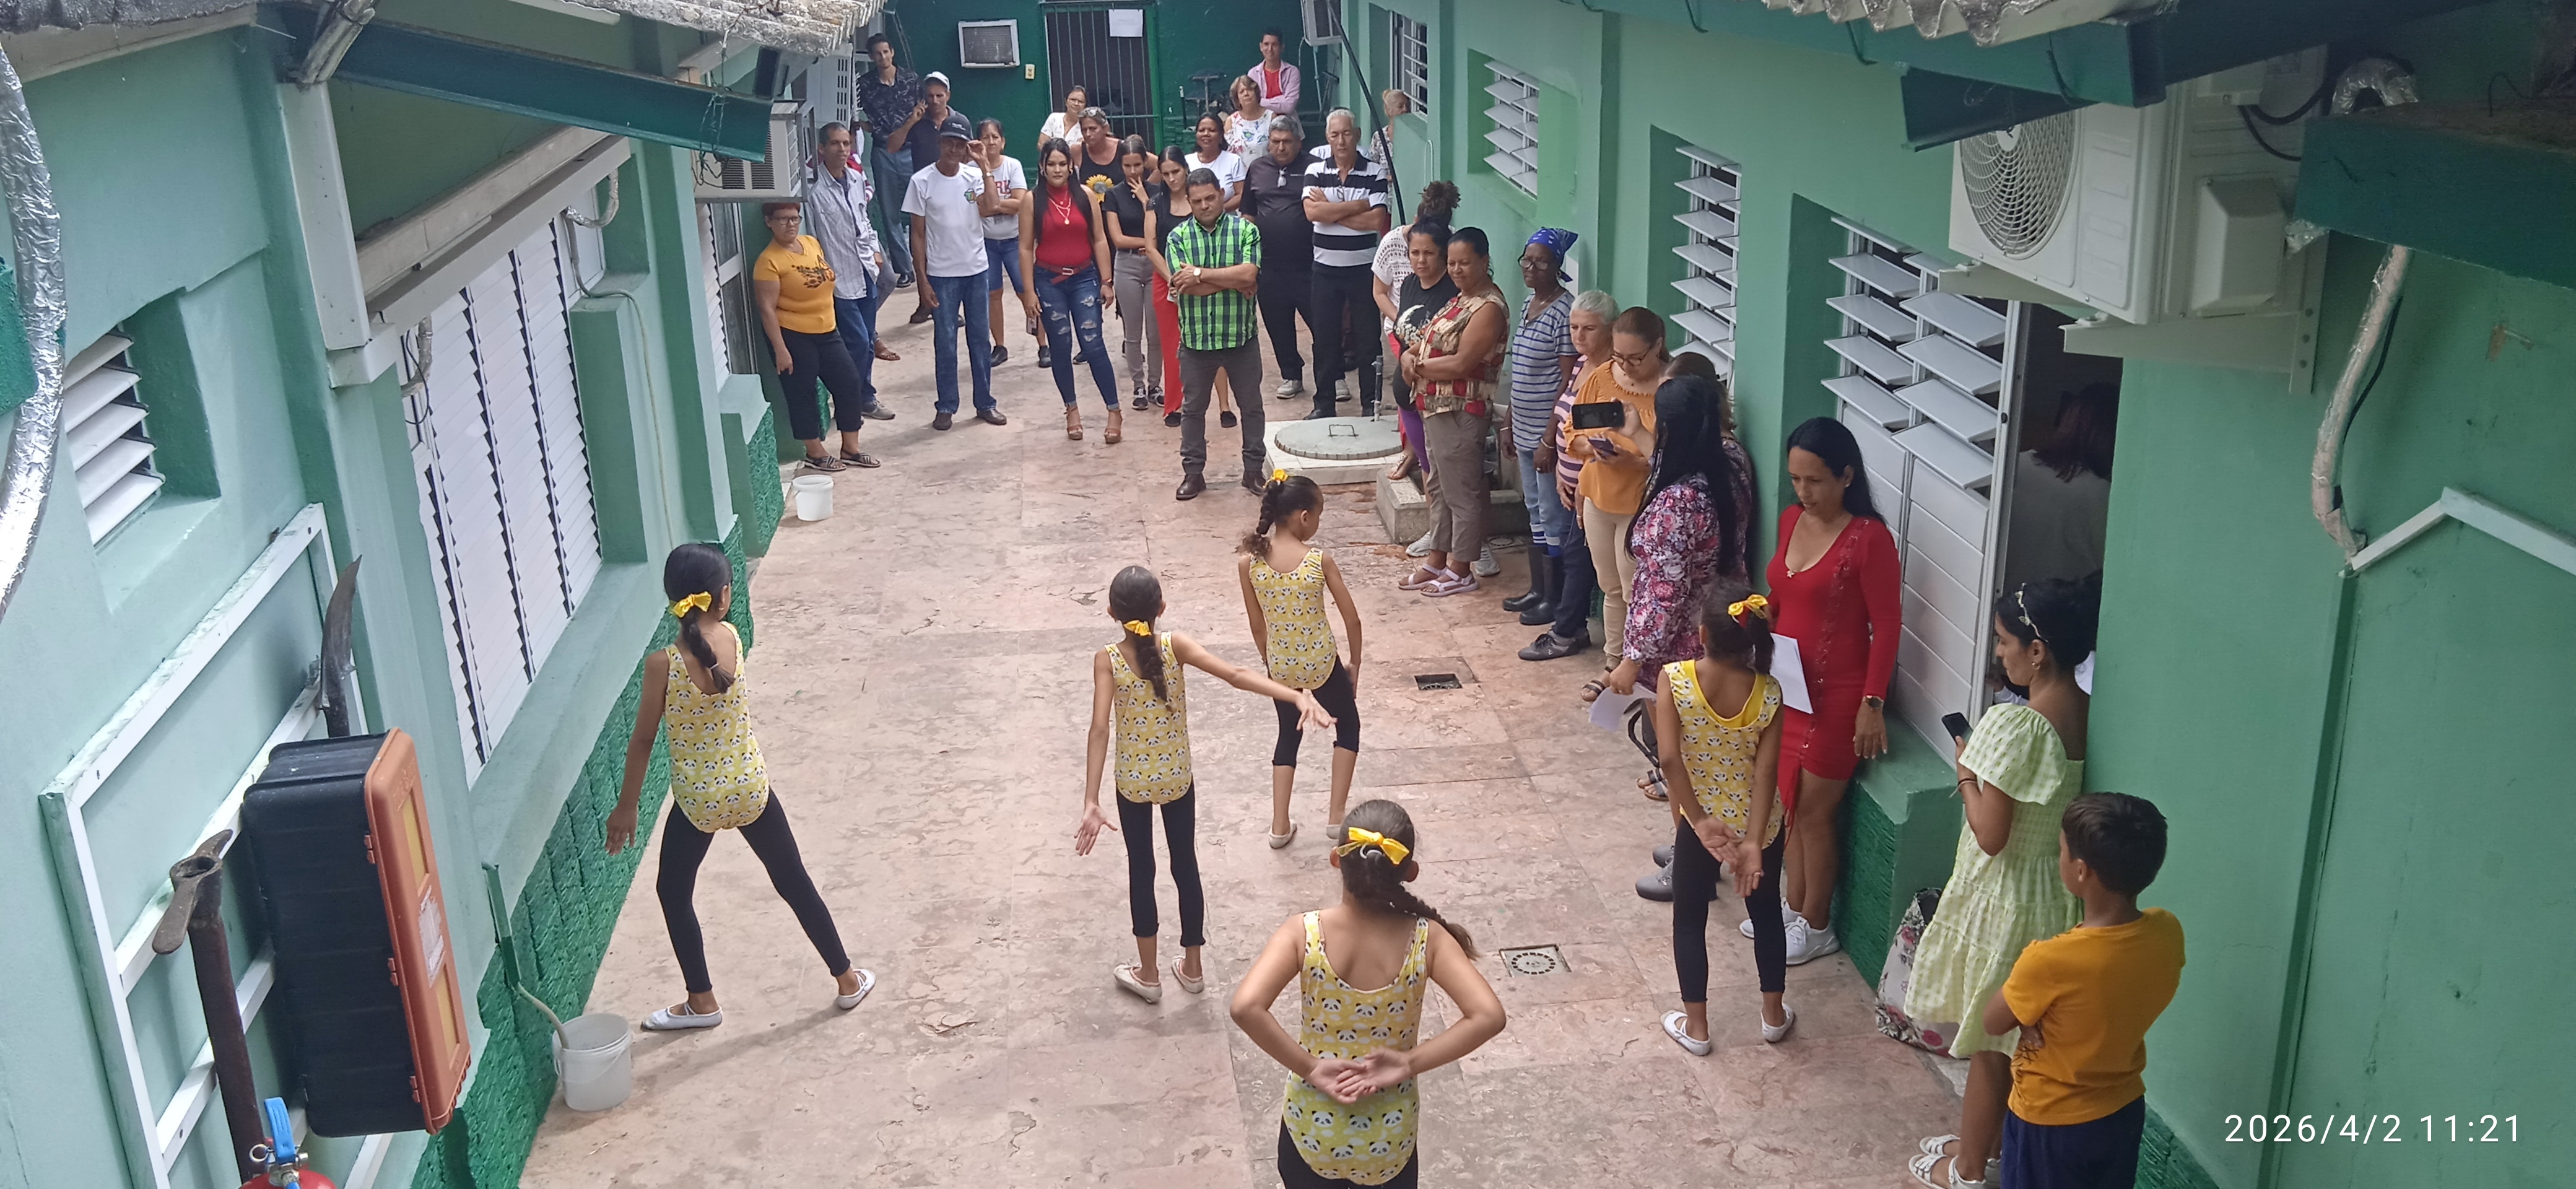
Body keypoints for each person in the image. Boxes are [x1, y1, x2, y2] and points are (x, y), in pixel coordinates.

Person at [607, 544, 873, 1030]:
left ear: (671, 598)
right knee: (792, 879)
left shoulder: (661, 665)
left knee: (673, 891)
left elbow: (644, 740)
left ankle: (702, 1001)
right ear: (723, 596)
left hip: (699, 802)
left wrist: (627, 807)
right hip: (751, 788)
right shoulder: (731, 637)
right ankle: (847, 979)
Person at [1905, 578, 2097, 1189]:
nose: (1997, 654)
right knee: (2014, 1041)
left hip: (2004, 897)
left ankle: (1967, 1171)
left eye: (2002, 641)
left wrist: (1966, 772)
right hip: (2049, 893)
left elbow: (1990, 833)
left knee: (1990, 1046)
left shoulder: (2014, 726)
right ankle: (1980, 1144)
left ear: (2036, 650)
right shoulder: (2086, 710)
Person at [1079, 565, 1331, 1003]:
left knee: (1142, 869)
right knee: (1185, 865)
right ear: (1162, 608)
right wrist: (1294, 694)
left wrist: (1090, 799)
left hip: (1132, 783)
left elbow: (1099, 729)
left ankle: (1149, 974)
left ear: (1110, 613)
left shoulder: (1108, 659)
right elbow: (1234, 674)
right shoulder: (1175, 646)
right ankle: (1193, 968)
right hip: (1177, 777)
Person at [1230, 800, 1506, 1189]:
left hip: (1312, 1130)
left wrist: (1310, 1067)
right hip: (1389, 1140)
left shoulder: (1303, 933)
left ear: (1335, 860)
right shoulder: (1428, 940)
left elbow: (1246, 1007)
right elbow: (1488, 1016)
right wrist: (1408, 1063)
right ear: (1410, 872)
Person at [1982, 793, 2182, 1189]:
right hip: (2122, 1110)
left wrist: (2031, 1016)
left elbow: (1993, 1021)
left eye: (2061, 851)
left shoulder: (2051, 960)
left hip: (2050, 1119)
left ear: (2080, 870)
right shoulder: (2166, 930)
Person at [1759, 417, 1899, 963]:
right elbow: (1782, 594)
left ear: (1846, 477)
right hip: (1788, 687)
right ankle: (1794, 909)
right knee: (1787, 801)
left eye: (1815, 480)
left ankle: (1818, 924)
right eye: (1796, 479)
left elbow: (1887, 625)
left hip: (1839, 696)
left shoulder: (1869, 540)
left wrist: (1873, 704)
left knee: (1815, 814)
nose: (1803, 492)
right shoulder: (1792, 519)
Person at [1652, 583, 1793, 1055]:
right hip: (1761, 825)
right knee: (1767, 914)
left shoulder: (1674, 680)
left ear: (1701, 635)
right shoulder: (1769, 692)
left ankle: (1697, 1028)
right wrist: (1753, 841)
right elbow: (1767, 773)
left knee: (1689, 917)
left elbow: (1669, 759)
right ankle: (1773, 1017)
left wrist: (1697, 818)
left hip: (1702, 824)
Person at [1238, 474, 1365, 847]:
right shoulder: (1318, 560)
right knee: (1349, 726)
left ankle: (1279, 825)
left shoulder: (1249, 563)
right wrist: (1354, 664)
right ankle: (1335, 818)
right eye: (1320, 515)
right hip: (1323, 661)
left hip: (1281, 667)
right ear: (1304, 517)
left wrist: (1271, 665)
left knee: (1286, 736)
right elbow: (1352, 618)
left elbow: (1257, 625)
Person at [1396, 228, 1507, 598]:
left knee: (1462, 492)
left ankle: (1462, 568)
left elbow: (1463, 363)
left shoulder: (1489, 307)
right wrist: (1411, 355)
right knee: (1439, 487)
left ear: (1485, 262)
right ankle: (1437, 560)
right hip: (1434, 408)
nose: (1457, 270)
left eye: (1465, 263)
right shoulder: (1459, 299)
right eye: (1453, 263)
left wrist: (1418, 368)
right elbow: (1423, 339)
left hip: (1461, 409)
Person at [1565, 308, 1668, 676]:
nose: (1625, 366)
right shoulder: (1603, 376)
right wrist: (1592, 449)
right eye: (1618, 356)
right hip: (1598, 494)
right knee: (1609, 587)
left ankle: (1633, 668)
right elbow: (1572, 429)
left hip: (1639, 504)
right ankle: (1612, 664)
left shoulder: (1669, 390)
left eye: (1635, 358)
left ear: (1658, 347)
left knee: (1632, 590)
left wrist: (1633, 459)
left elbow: (1669, 457)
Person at [1519, 290, 1617, 662]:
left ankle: (1566, 630)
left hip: (1595, 485)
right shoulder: (1581, 365)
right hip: (1570, 480)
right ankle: (1565, 622)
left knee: (1579, 556)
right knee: (1570, 548)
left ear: (1609, 330)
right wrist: (1562, 470)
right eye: (1575, 327)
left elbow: (1603, 438)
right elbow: (1566, 419)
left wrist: (1578, 477)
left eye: (1589, 328)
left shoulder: (1611, 375)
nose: (1579, 335)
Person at [1162, 167, 1268, 500]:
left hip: (1241, 338)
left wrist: (1201, 274)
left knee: (1251, 407)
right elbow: (1184, 288)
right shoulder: (1177, 238)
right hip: (1197, 342)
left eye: (1210, 198)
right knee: (1193, 411)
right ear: (1189, 202)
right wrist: (1232, 281)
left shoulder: (1245, 230)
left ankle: (1253, 472)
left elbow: (1250, 273)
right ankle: (1194, 474)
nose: (1205, 205)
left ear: (1221, 194)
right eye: (1197, 201)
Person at [751, 203, 878, 473]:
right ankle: (815, 452)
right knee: (802, 393)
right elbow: (766, 310)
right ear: (769, 222)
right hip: (792, 334)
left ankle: (851, 448)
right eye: (783, 219)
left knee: (849, 382)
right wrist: (781, 350)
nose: (790, 224)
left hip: (827, 331)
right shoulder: (769, 262)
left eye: (795, 218)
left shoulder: (811, 243)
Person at [903, 113, 1006, 430]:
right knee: (945, 341)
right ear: (940, 143)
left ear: (966, 147)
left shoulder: (974, 177)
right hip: (942, 274)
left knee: (979, 339)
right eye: (948, 141)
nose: (953, 148)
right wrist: (922, 281)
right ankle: (946, 406)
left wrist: (984, 165)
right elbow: (917, 235)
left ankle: (985, 403)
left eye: (959, 143)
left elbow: (990, 208)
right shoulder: (921, 182)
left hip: (976, 269)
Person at [1017, 137, 1123, 443]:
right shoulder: (1031, 200)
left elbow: (1100, 238)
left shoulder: (1086, 196)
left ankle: (1114, 410)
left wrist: (1107, 280)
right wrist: (1029, 293)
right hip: (1048, 282)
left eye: (1063, 163)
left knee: (1092, 344)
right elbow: (1025, 248)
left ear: (1071, 166)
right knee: (1060, 348)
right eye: (1052, 164)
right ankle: (1072, 409)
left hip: (1084, 278)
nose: (1058, 169)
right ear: (1042, 166)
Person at [1501, 229, 1580, 621]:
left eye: (1541, 262)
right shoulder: (1529, 304)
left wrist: (1550, 437)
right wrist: (1509, 421)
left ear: (1558, 267)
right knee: (1533, 508)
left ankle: (1557, 598)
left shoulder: (1564, 313)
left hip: (1548, 433)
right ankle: (1538, 589)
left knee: (1552, 512)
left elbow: (1567, 380)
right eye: (1526, 261)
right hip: (1524, 425)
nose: (1531, 269)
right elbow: (1520, 372)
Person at [800, 123, 895, 422]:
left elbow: (863, 222)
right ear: (822, 149)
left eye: (846, 144)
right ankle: (852, 400)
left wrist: (876, 251)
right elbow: (813, 236)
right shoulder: (815, 192)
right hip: (838, 280)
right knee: (855, 342)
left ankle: (863, 397)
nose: (842, 150)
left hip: (865, 270)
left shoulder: (855, 179)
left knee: (866, 341)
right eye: (835, 144)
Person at [1300, 110, 1391, 419]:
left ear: (1358, 134)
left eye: (1347, 134)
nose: (1341, 141)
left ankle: (1371, 404)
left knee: (1368, 340)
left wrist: (1331, 208)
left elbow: (1376, 220)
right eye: (1335, 135)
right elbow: (1313, 215)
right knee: (1324, 339)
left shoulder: (1376, 172)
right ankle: (1323, 404)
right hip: (1324, 270)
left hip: (1364, 271)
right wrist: (1358, 205)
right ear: (1328, 138)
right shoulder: (1315, 170)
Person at [1372, 181, 1461, 487]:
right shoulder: (1406, 276)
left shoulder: (1453, 285)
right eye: (1415, 251)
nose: (1421, 260)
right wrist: (1404, 323)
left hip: (1435, 387)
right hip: (1402, 328)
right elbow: (1380, 292)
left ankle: (1416, 452)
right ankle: (1412, 450)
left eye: (1430, 253)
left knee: (1441, 465)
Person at [2004, 381, 2118, 592]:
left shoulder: (2017, 464)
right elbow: (2115, 570)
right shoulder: (2100, 497)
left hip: (2000, 604)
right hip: (2054, 612)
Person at [1243, 116, 1319, 403]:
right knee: (1278, 325)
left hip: (1309, 264)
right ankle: (1292, 375)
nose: (1282, 147)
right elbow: (1249, 214)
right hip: (1270, 266)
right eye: (1275, 142)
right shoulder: (1258, 169)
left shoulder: (1313, 167)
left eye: (1287, 142)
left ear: (1299, 142)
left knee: (1322, 325)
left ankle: (1333, 377)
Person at [1100, 136, 1165, 414]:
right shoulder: (1113, 195)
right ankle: (1138, 385)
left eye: (1138, 164)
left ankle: (1155, 384)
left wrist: (1144, 201)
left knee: (1156, 331)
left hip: (1154, 267)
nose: (1133, 172)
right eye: (1127, 165)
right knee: (1133, 331)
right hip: (1127, 265)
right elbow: (1117, 238)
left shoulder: (1155, 192)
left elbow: (1160, 229)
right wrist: (1146, 243)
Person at [856, 32, 925, 294]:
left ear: (892, 52)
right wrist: (863, 126)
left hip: (911, 150)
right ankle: (905, 268)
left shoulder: (910, 80)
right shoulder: (866, 85)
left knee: (920, 206)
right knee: (889, 211)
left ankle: (925, 262)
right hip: (884, 150)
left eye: (886, 52)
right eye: (877, 54)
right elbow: (863, 116)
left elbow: (923, 108)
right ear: (872, 57)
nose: (882, 57)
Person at [975, 119, 1029, 367]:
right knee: (993, 294)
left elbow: (1020, 204)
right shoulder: (972, 170)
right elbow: (977, 207)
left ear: (1003, 141)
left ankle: (1043, 344)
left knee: (1026, 291)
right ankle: (1000, 346)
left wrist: (994, 204)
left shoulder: (1013, 166)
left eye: (995, 137)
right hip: (987, 243)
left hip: (1015, 240)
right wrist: (998, 206)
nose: (991, 141)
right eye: (986, 137)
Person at [1146, 150, 1193, 420]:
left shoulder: (1197, 199)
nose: (1172, 178)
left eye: (1176, 171)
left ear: (1185, 169)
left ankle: (1205, 401)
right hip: (1166, 282)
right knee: (1172, 344)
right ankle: (1173, 404)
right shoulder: (1156, 204)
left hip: (1199, 277)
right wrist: (1171, 277)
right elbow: (1151, 247)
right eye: (1166, 173)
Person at [1188, 112, 1248, 211]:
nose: (1206, 134)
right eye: (1202, 130)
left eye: (1212, 130)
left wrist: (1219, 211)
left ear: (1221, 135)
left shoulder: (1233, 161)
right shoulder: (1187, 161)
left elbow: (1242, 194)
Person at [1251, 28, 1300, 116]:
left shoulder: (1292, 72)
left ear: (1282, 47)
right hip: (1261, 123)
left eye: (1275, 45)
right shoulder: (1253, 74)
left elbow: (1289, 107)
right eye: (1266, 44)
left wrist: (1260, 102)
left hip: (1287, 124)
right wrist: (1281, 100)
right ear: (1261, 47)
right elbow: (1252, 105)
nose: (1270, 49)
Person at [1225, 76, 1271, 161]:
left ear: (1256, 93)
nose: (1246, 94)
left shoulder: (1270, 117)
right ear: (1237, 100)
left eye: (1250, 89)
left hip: (1265, 171)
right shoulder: (1231, 121)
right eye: (1241, 92)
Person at [1037, 82, 1087, 147]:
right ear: (1066, 102)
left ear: (1085, 106)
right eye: (1073, 100)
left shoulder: (1086, 126)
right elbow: (1041, 144)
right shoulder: (1054, 118)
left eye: (1080, 102)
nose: (1076, 104)